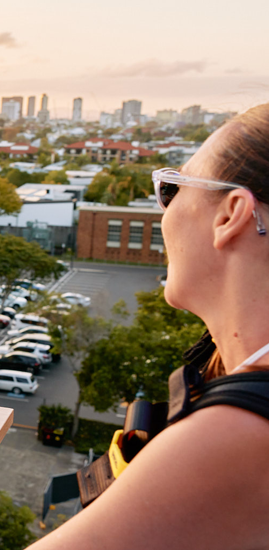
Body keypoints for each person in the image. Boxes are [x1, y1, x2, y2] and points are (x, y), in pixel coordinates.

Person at [29, 105, 269, 548]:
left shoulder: (237, 436)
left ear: (230, 214)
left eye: (173, 188)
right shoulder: (231, 389)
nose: (165, 213)